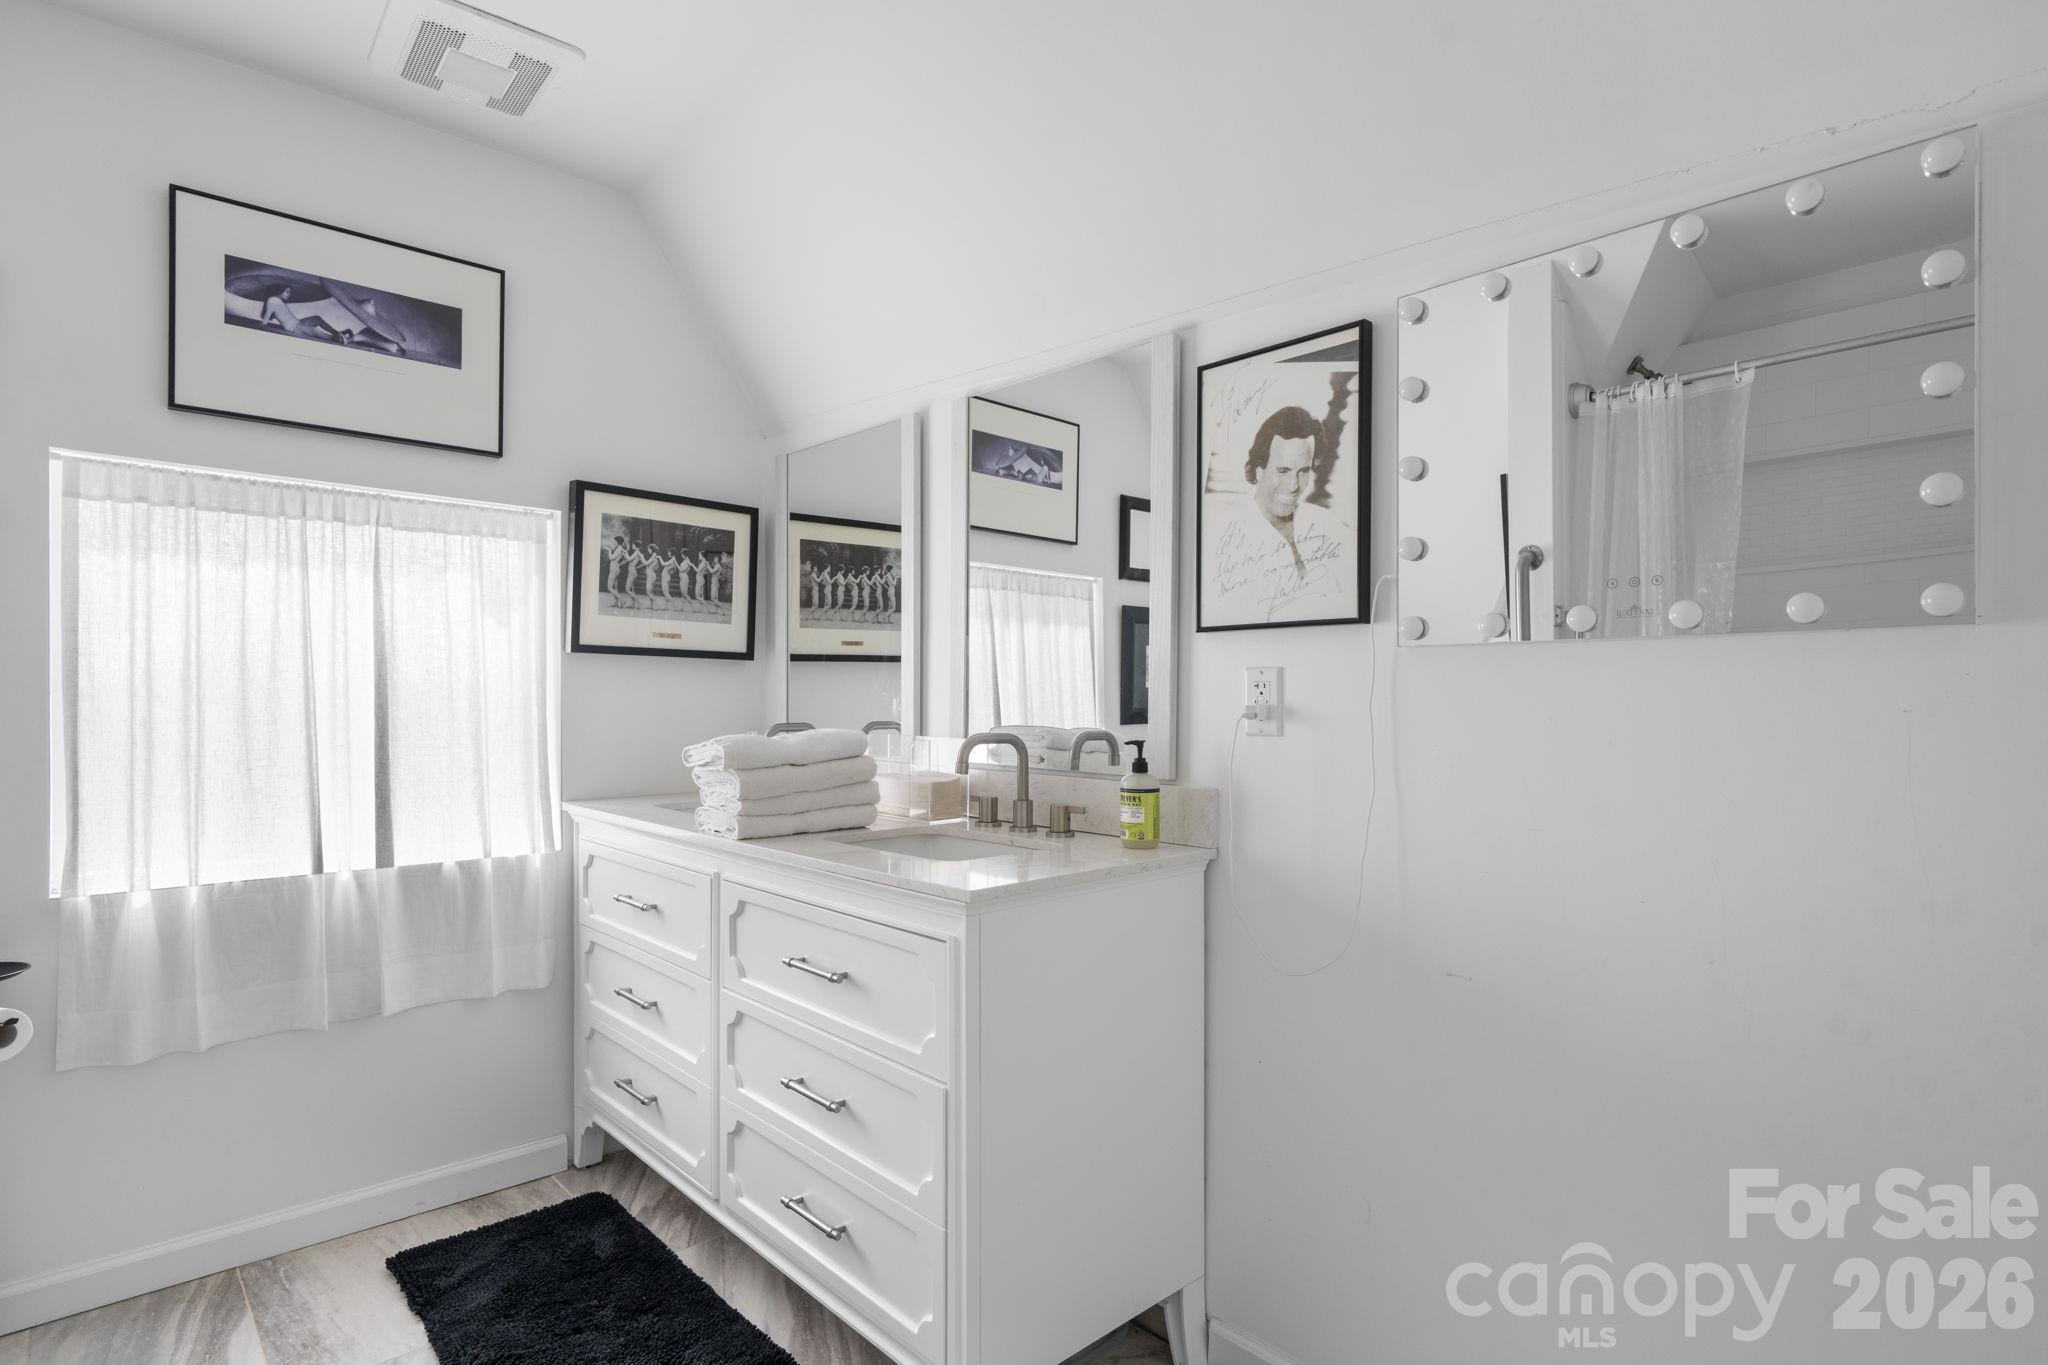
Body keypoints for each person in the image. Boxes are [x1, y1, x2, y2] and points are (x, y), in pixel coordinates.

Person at [1204, 405, 1353, 624]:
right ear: (1258, 470)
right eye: (1282, 471)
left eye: (1303, 471)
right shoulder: (1225, 539)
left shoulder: (1330, 526)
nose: (1293, 485)